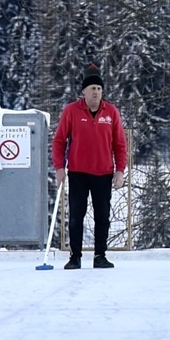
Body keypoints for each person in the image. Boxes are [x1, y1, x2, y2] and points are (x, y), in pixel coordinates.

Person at [52, 63, 127, 270]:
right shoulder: (72, 111)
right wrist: (59, 167)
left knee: (102, 216)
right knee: (76, 215)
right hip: (78, 172)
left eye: (99, 89)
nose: (96, 92)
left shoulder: (111, 112)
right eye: (92, 88)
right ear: (84, 91)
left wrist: (120, 171)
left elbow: (120, 144)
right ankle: (75, 256)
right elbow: (59, 141)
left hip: (103, 173)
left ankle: (100, 255)